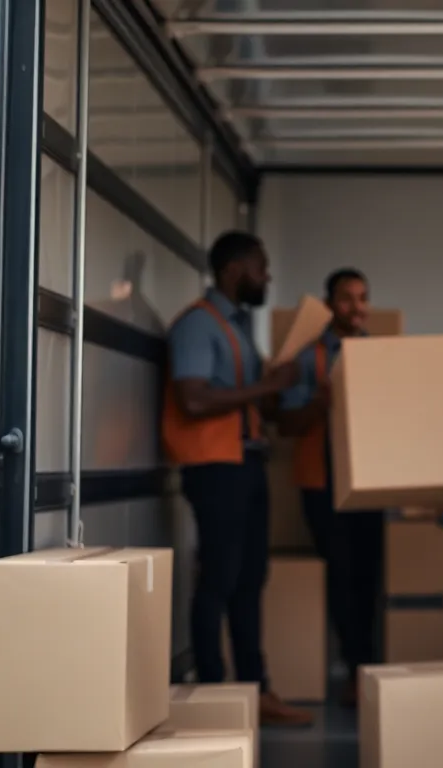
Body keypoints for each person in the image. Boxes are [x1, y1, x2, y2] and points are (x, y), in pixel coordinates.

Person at [162, 230, 314, 728]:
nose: (267, 276)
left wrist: (275, 389)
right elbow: (195, 399)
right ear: (233, 270)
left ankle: (255, 692)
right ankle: (210, 694)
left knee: (250, 580)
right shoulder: (196, 327)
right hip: (215, 469)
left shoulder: (238, 327)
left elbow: (249, 398)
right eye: (260, 266)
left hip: (246, 464)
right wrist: (265, 385)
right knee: (220, 581)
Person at [278, 267, 385, 708]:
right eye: (346, 298)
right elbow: (284, 422)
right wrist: (319, 403)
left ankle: (367, 669)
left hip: (370, 484)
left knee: (368, 577)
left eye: (362, 297)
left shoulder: (379, 354)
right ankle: (354, 670)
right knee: (341, 576)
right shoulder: (309, 360)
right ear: (330, 303)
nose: (356, 307)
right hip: (324, 482)